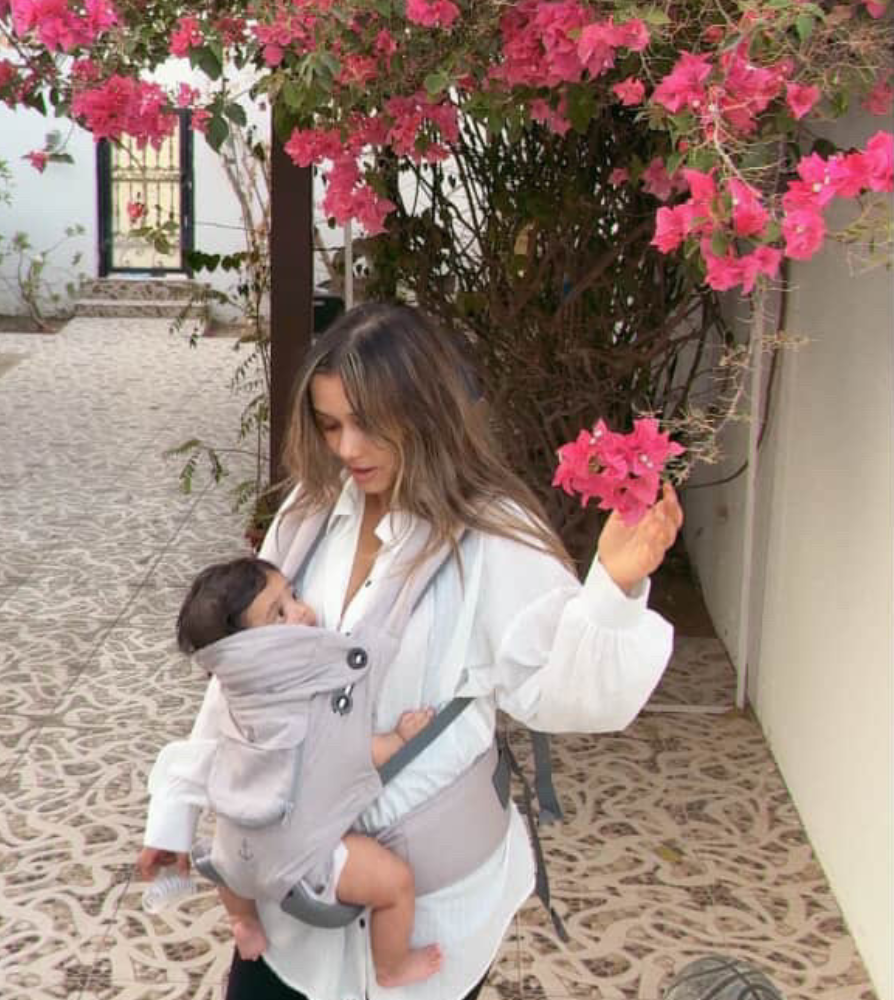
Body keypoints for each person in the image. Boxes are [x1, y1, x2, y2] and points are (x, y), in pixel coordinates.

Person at [138, 302, 683, 1000]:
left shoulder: (494, 539)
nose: (346, 448)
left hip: (430, 912)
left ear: (424, 413)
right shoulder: (307, 516)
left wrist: (615, 586)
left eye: (368, 424)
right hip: (295, 898)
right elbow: (241, 683)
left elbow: (565, 695)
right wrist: (176, 811)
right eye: (331, 425)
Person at [170, 556, 442, 987]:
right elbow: (353, 752)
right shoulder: (309, 695)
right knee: (396, 884)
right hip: (300, 858)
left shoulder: (235, 690)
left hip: (231, 852)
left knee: (233, 864)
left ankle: (244, 922)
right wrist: (401, 738)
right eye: (280, 613)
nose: (303, 611)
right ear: (251, 651)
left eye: (293, 595)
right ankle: (391, 967)